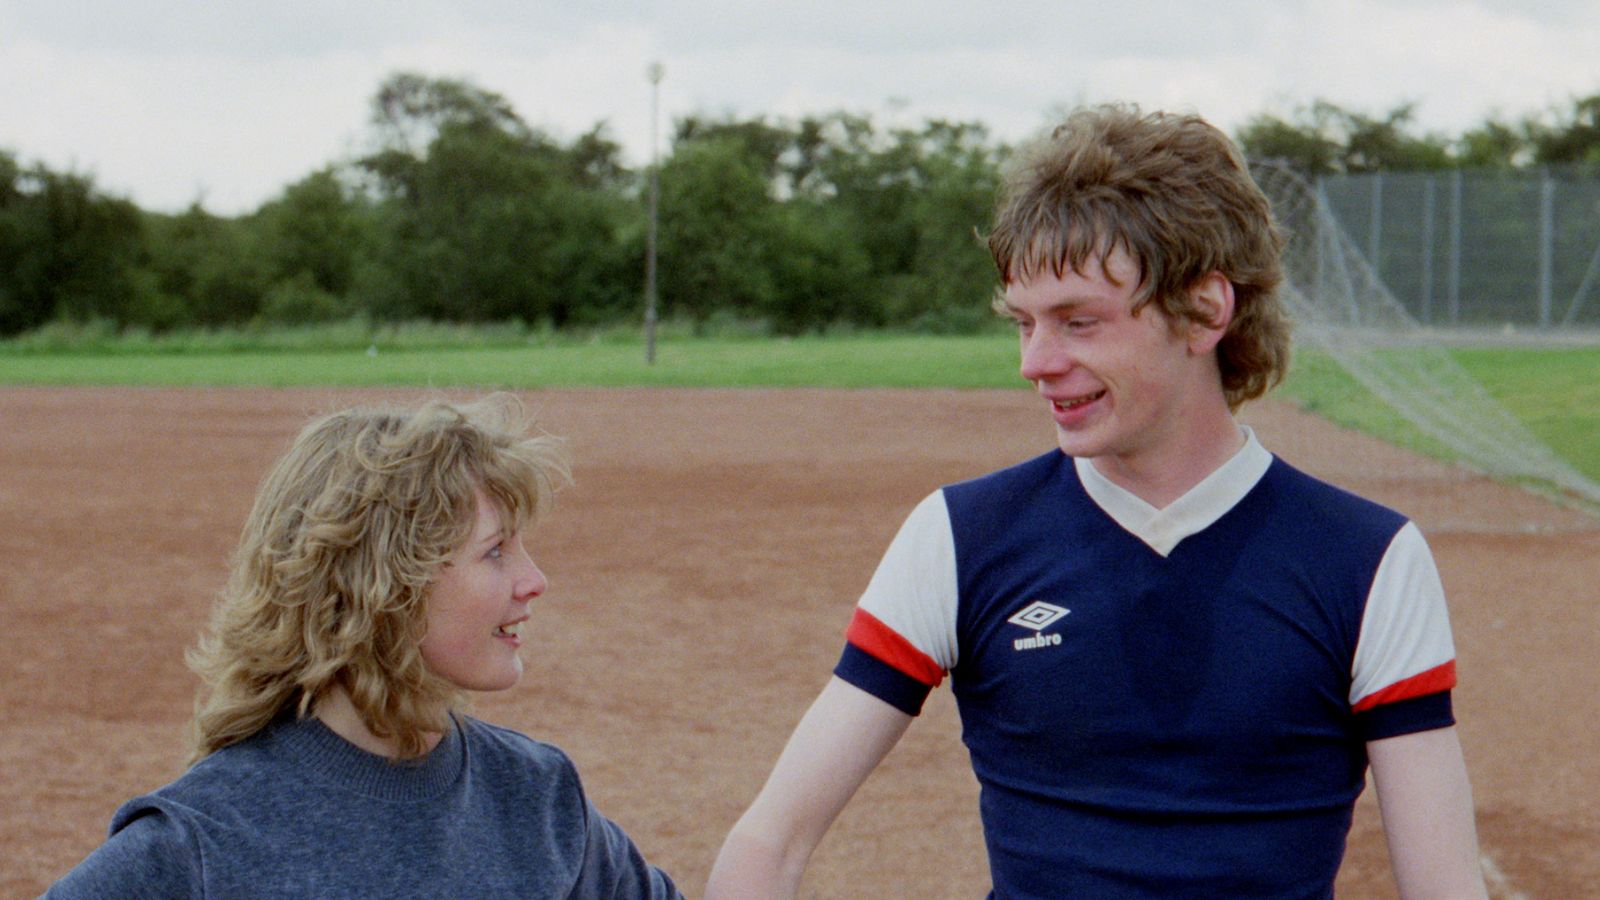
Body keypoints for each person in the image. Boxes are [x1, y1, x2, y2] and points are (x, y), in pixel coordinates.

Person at [706, 106, 1487, 898]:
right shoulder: (960, 536)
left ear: (1206, 310)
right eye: (1024, 324)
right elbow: (769, 843)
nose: (1035, 363)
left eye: (1078, 322)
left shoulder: (1367, 560)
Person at [45, 395, 681, 899]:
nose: (534, 580)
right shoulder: (205, 841)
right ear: (382, 585)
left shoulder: (536, 797)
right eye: (495, 551)